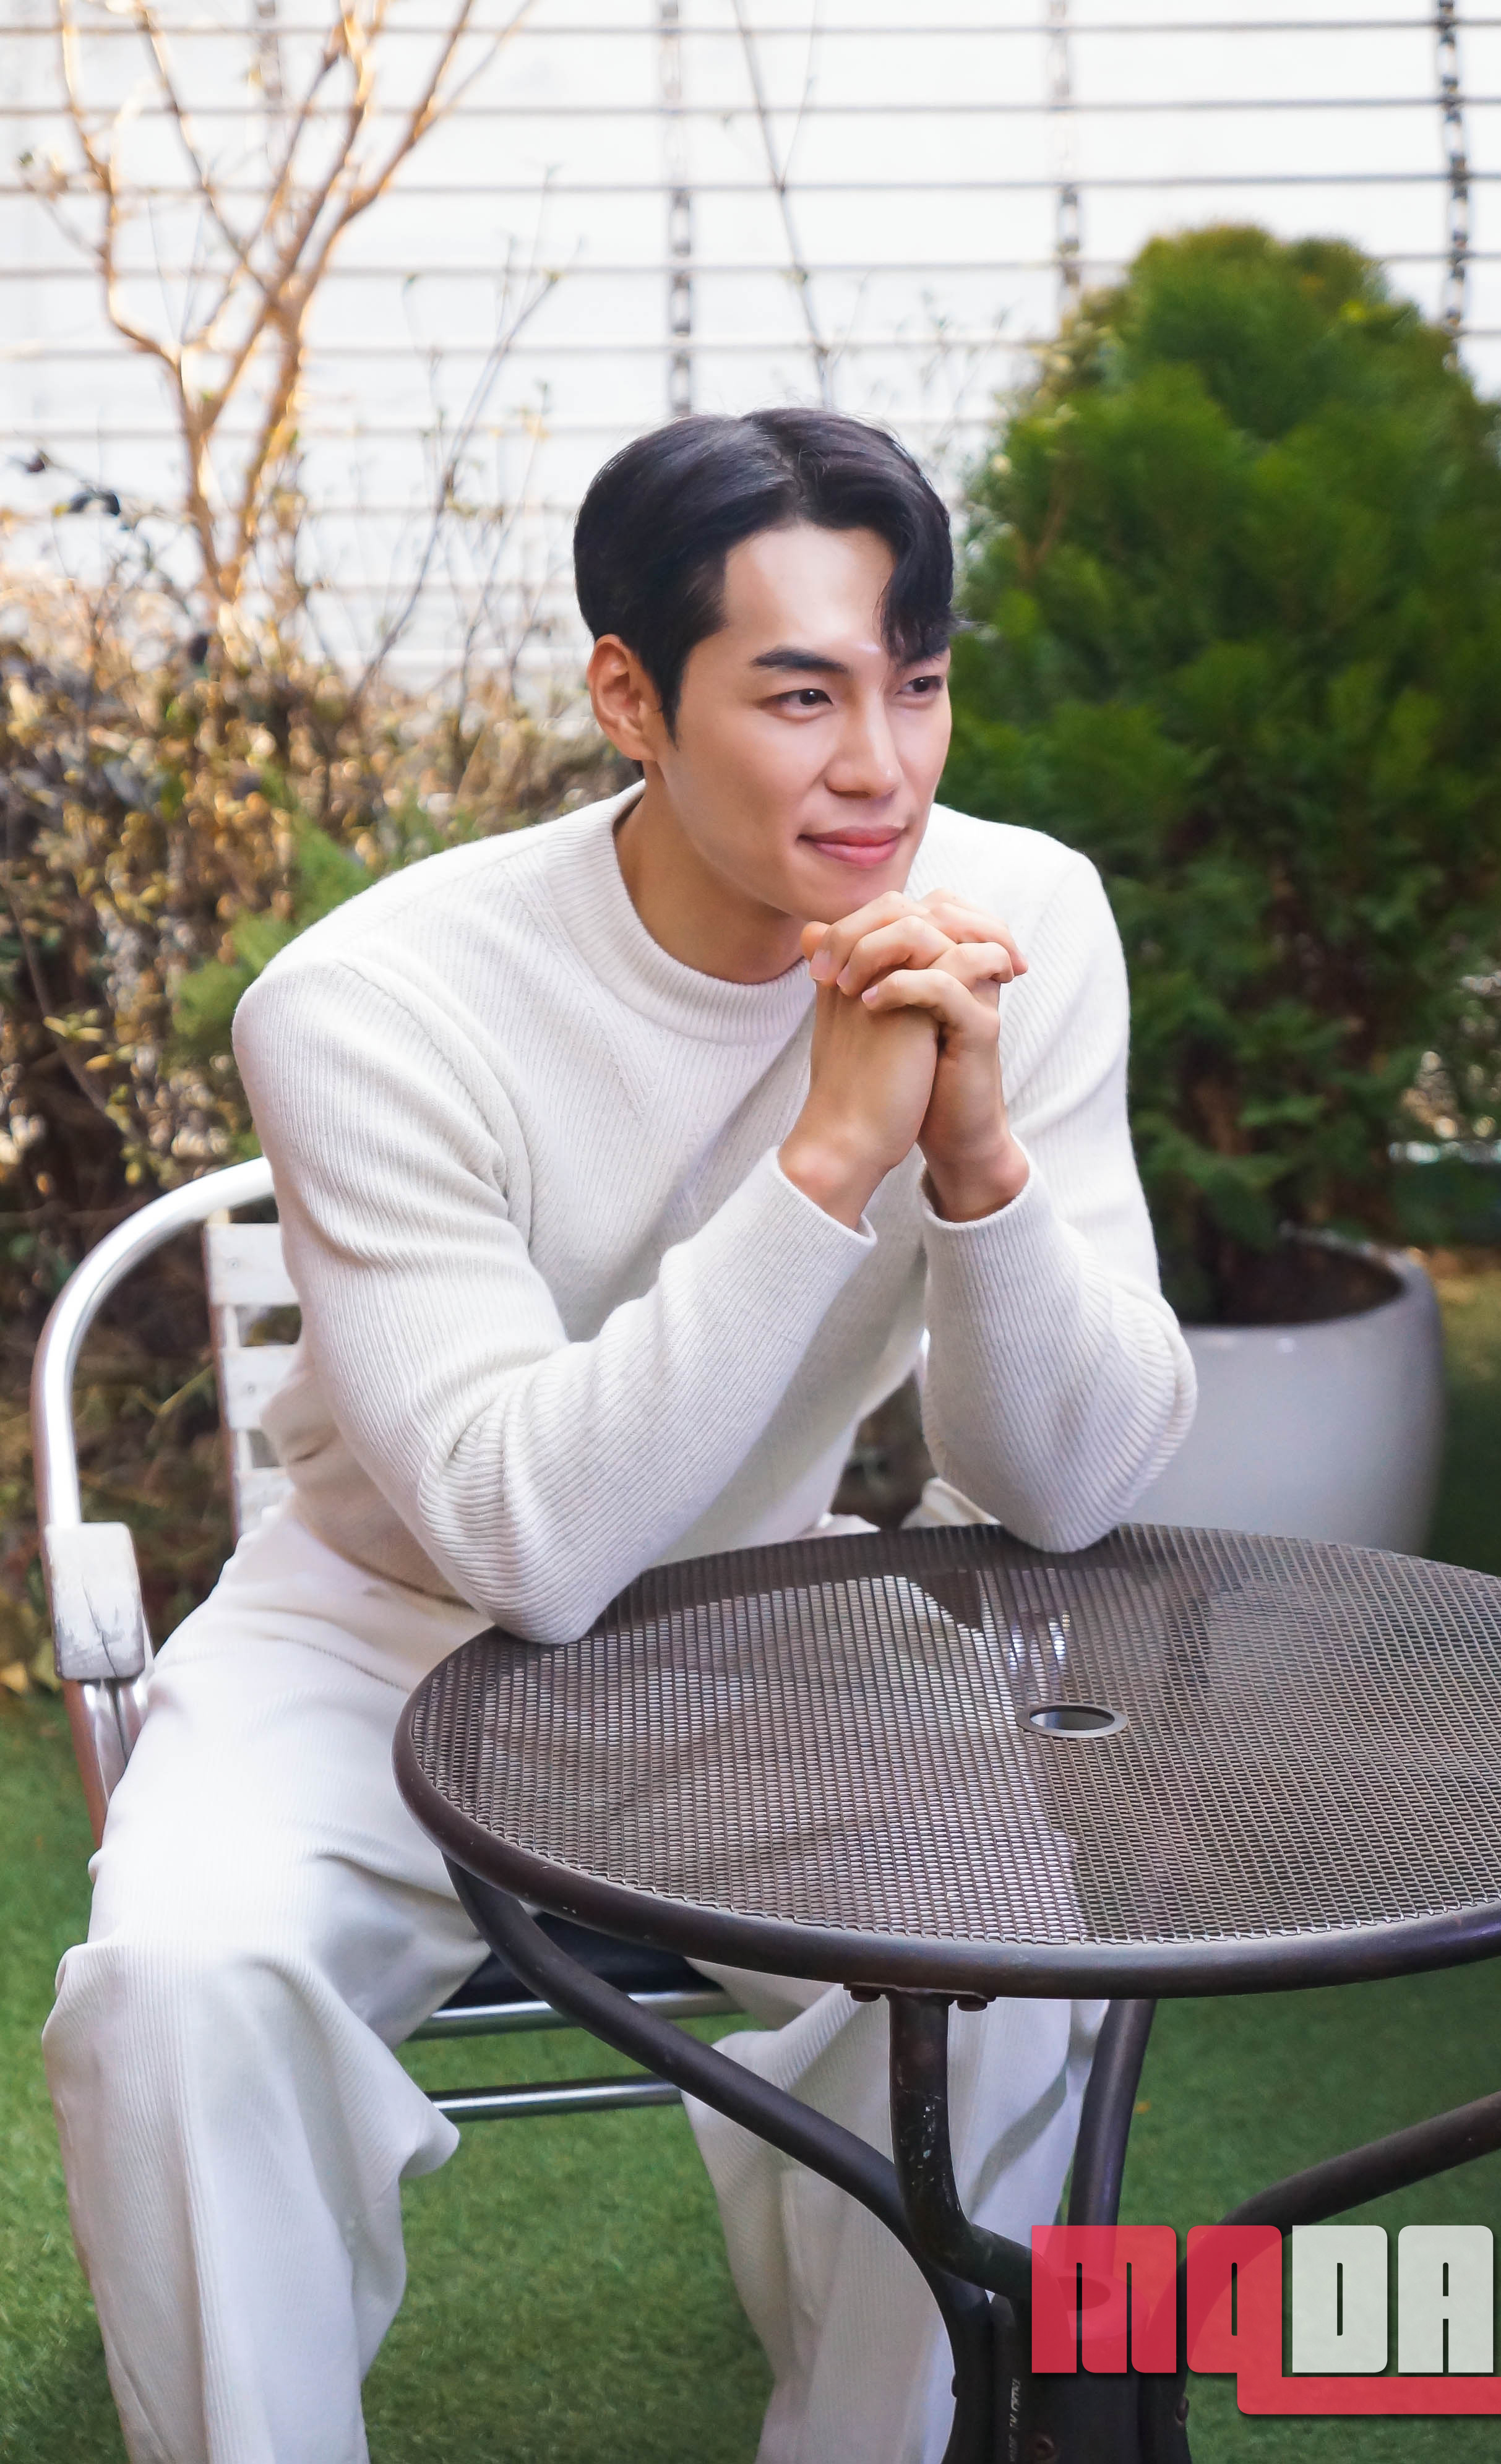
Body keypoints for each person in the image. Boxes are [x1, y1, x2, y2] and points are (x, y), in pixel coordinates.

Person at [43, 408, 1195, 2464]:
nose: (883, 767)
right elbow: (529, 1541)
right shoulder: (375, 1001)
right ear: (629, 700)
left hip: (760, 1615)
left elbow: (1076, 1485)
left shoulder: (1023, 913)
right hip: (381, 1636)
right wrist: (828, 1158)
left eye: (919, 684)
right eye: (800, 695)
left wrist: (980, 1164)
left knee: (1018, 1966)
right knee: (179, 1989)